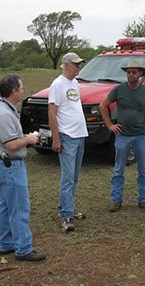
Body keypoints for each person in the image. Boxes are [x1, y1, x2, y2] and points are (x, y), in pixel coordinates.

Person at [0, 74, 46, 262]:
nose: (23, 92)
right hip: (10, 166)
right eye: (21, 89)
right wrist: (28, 140)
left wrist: (24, 139)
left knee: (5, 206)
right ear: (13, 91)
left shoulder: (3, 107)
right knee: (19, 208)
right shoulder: (4, 113)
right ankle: (23, 248)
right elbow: (11, 145)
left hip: (3, 165)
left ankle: (6, 243)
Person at [100, 60, 145, 212]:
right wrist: (109, 125)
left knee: (143, 169)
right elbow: (103, 105)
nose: (131, 75)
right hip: (122, 135)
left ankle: (143, 200)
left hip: (140, 136)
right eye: (129, 72)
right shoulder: (119, 90)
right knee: (118, 170)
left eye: (134, 72)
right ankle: (116, 200)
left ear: (140, 74)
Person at [48, 52, 88, 232]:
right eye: (76, 64)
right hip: (67, 136)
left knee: (74, 177)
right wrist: (56, 138)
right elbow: (52, 112)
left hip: (80, 135)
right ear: (66, 65)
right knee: (67, 178)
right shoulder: (57, 84)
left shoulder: (75, 83)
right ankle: (66, 216)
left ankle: (66, 208)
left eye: (79, 64)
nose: (79, 67)